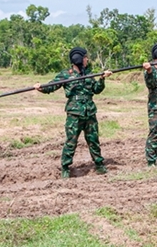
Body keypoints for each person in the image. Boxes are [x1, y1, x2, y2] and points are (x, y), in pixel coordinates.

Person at [34, 47, 112, 178]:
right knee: (71, 141)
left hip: (89, 112)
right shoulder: (66, 75)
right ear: (79, 59)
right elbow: (52, 86)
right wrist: (41, 87)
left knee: (93, 140)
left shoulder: (88, 74)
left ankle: (99, 164)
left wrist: (102, 79)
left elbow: (96, 90)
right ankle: (65, 167)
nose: (87, 60)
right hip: (74, 114)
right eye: (85, 57)